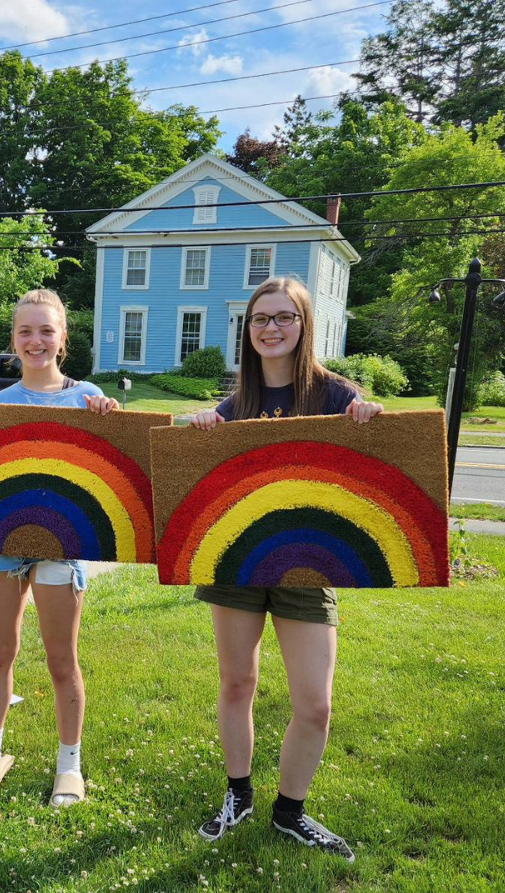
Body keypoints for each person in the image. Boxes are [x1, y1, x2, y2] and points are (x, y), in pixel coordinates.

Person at [189, 276, 383, 862]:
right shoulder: (238, 401)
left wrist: (373, 418)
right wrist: (202, 430)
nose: (270, 329)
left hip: (306, 565)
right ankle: (239, 795)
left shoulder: (333, 395)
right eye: (259, 320)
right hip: (238, 561)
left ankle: (290, 813)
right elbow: (202, 470)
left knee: (315, 703)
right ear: (247, 331)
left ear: (304, 325)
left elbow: (375, 464)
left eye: (283, 318)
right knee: (237, 682)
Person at [0, 288, 119, 808]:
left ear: (63, 339)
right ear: (13, 340)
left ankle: (69, 767)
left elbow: (114, 464)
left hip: (62, 545)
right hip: (2, 544)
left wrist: (108, 417)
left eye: (46, 330)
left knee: (61, 659)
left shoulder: (86, 397)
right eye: (26, 331)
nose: (36, 341)